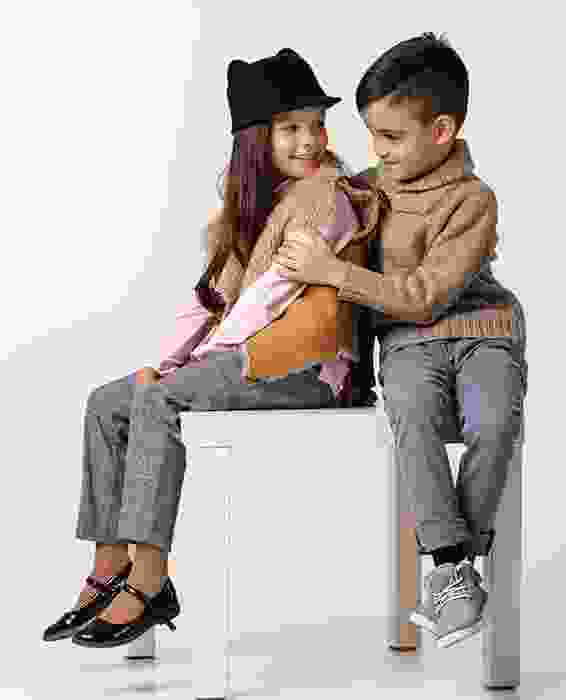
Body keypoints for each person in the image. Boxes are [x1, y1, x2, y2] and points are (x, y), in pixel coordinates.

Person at [42, 47, 385, 648]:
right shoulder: (255, 205)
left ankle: (150, 578)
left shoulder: (321, 198)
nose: (310, 140)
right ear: (255, 140)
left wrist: (194, 367)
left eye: (316, 125)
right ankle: (109, 565)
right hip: (246, 357)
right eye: (291, 128)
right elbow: (209, 298)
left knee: (160, 400)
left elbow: (271, 296)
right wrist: (164, 363)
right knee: (108, 402)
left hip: (308, 368)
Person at [273, 32, 528, 649]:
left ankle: (452, 569)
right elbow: (305, 208)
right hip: (408, 343)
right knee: (411, 416)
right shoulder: (368, 189)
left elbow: (425, 295)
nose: (378, 151)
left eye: (391, 137)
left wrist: (334, 273)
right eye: (372, 136)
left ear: (442, 131)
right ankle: (454, 570)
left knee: (494, 422)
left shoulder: (474, 200)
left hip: (483, 331)